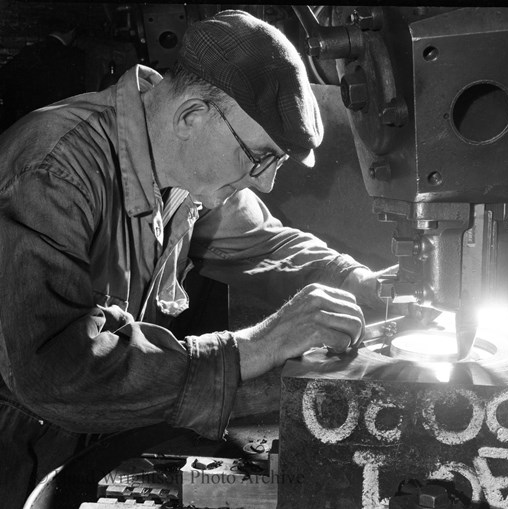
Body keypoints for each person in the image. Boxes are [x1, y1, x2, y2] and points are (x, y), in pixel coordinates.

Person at [0, 10, 386, 508]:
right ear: (192, 115)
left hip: (88, 432)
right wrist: (254, 346)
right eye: (260, 157)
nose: (266, 182)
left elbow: (268, 245)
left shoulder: (187, 168)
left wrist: (361, 282)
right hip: (15, 448)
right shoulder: (53, 169)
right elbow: (57, 372)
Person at [0, 15, 85, 132]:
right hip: (54, 123)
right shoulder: (73, 57)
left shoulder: (30, 50)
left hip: (22, 122)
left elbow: (4, 75)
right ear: (71, 32)